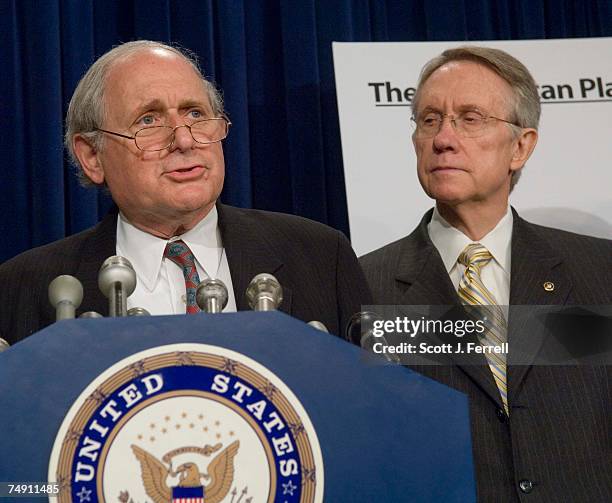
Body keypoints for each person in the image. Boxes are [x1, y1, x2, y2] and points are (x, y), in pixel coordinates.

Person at [360, 46, 612, 502]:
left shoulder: (599, 272)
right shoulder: (366, 285)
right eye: (429, 119)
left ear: (521, 146)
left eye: (470, 118)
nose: (443, 138)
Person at [0, 40, 371, 344]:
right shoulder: (23, 288)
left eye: (195, 114)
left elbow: (382, 403)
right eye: (149, 120)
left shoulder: (323, 256)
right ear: (92, 156)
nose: (183, 139)